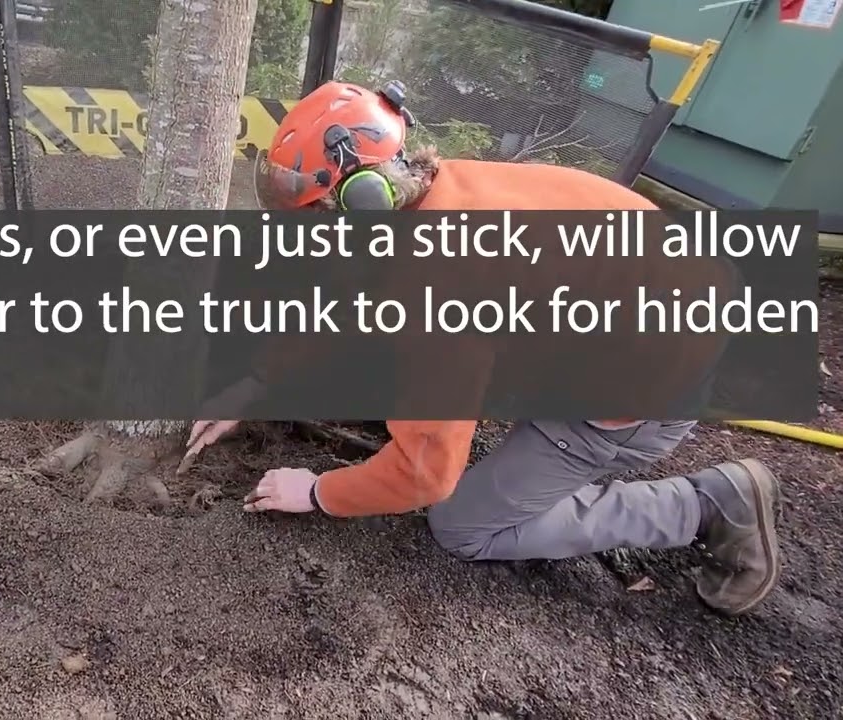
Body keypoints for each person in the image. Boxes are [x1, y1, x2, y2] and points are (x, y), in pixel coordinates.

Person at [181, 80, 782, 617]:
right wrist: (256, 381)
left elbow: (426, 478)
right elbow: (356, 294)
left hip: (640, 389)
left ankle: (706, 504)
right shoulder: (434, 190)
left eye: (312, 218)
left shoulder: (447, 280)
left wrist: (315, 490)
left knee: (463, 525)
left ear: (360, 202)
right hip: (634, 315)